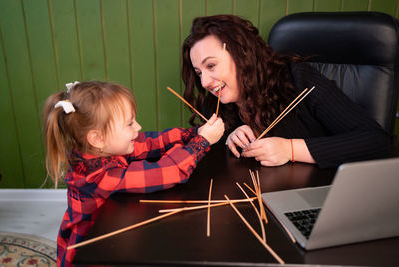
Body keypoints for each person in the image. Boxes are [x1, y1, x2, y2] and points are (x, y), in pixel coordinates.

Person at [43, 81, 224, 266]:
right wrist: (202, 141)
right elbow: (168, 171)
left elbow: (149, 142)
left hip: (111, 235)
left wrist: (192, 133)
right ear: (97, 138)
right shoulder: (100, 176)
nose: (138, 127)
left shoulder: (99, 149)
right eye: (129, 123)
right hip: (90, 252)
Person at [181, 14, 391, 168]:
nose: (205, 81)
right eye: (199, 72)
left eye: (211, 66)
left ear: (241, 54)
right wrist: (229, 138)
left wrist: (290, 149)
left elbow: (376, 140)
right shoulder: (215, 103)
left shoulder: (298, 78)